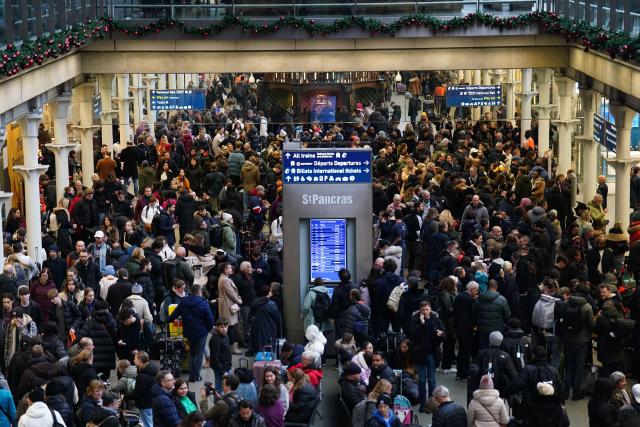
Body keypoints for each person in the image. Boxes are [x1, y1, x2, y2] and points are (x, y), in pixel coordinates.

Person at [168, 283, 214, 382]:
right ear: (199, 292)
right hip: (201, 332)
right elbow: (210, 319)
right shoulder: (204, 303)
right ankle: (196, 375)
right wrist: (208, 329)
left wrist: (167, 321)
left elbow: (174, 314)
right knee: (199, 353)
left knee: (191, 353)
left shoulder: (183, 302)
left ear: (191, 292)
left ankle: (191, 375)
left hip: (189, 332)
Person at [410, 301, 445, 411]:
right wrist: (421, 324)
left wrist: (441, 334)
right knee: (421, 380)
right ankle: (422, 403)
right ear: (420, 310)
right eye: (423, 310)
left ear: (430, 309)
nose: (425, 312)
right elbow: (412, 334)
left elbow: (443, 333)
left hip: (432, 353)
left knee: (431, 380)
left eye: (427, 309)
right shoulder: (415, 320)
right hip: (420, 354)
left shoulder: (435, 320)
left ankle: (432, 403)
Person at [249, 283, 282, 357]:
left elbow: (251, 313)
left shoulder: (256, 302)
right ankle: (266, 365)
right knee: (267, 348)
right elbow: (277, 318)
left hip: (257, 328)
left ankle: (259, 363)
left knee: (259, 347)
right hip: (268, 329)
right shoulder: (271, 304)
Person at [217, 263, 244, 355]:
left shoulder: (224, 279)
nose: (231, 269)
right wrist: (239, 301)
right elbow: (231, 293)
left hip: (227, 305)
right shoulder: (225, 280)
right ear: (225, 270)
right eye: (229, 268)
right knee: (230, 326)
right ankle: (231, 347)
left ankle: (228, 346)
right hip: (228, 306)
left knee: (229, 326)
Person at [210, 318, 233, 393]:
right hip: (220, 369)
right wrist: (223, 372)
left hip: (227, 366)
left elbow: (227, 351)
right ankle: (218, 404)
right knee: (219, 388)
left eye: (226, 327)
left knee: (227, 387)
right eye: (222, 327)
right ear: (217, 327)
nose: (224, 329)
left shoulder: (225, 335)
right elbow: (214, 358)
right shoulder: (216, 339)